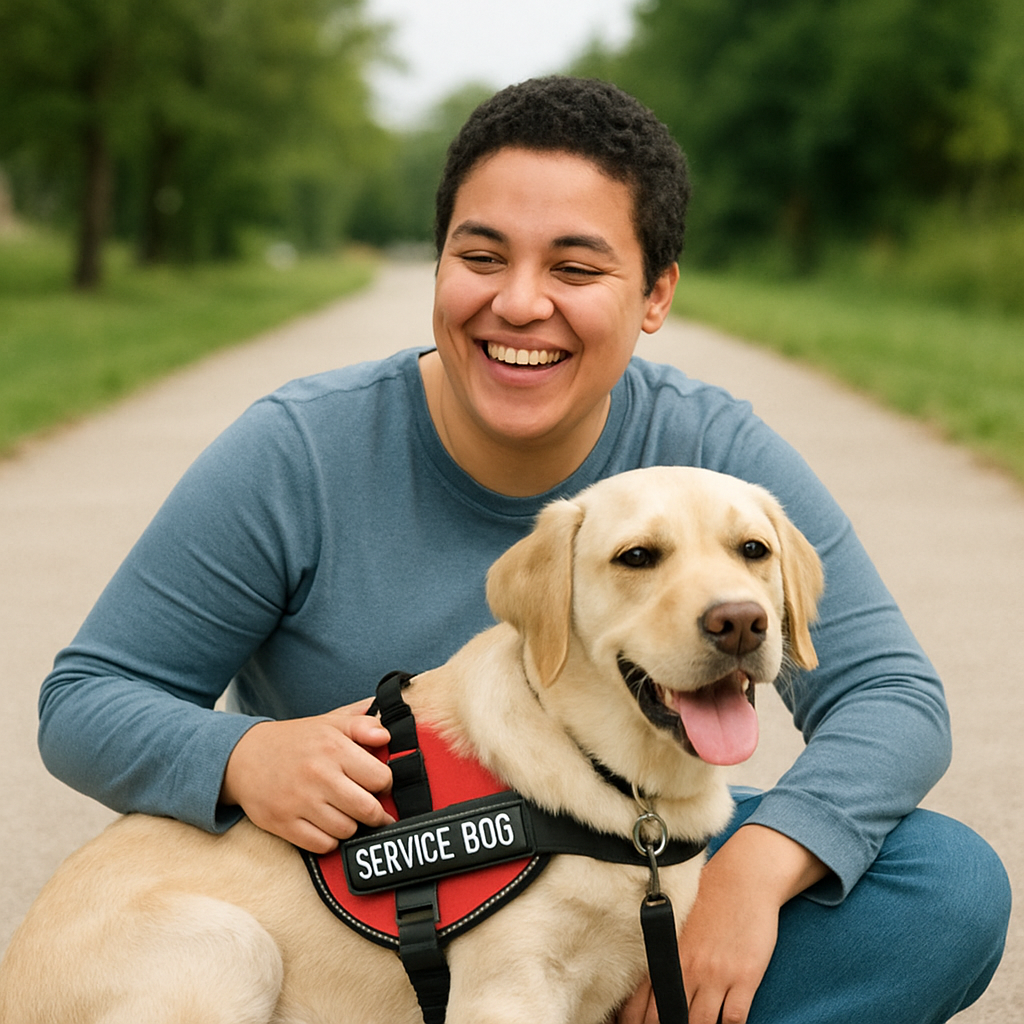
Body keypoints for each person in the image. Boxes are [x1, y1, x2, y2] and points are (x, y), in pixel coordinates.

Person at [38, 77, 1009, 1024]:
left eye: (576, 268)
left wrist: (749, 879)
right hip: (368, 907)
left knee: (941, 887)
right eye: (482, 255)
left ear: (656, 292)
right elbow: (87, 697)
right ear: (438, 267)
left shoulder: (712, 458)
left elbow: (889, 698)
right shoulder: (297, 454)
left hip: (607, 845)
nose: (519, 303)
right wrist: (242, 751)